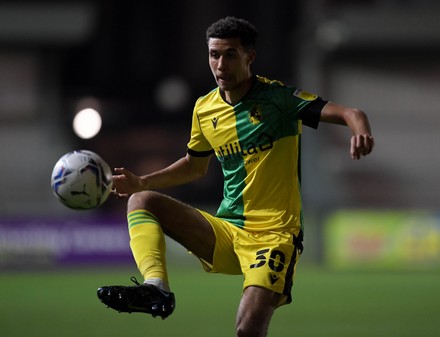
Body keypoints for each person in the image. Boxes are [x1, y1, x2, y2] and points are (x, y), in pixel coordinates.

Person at [97, 16, 374, 337]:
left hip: (274, 236)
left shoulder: (278, 99)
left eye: (230, 55)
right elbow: (195, 165)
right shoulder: (204, 109)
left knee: (247, 330)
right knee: (141, 201)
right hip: (228, 229)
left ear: (249, 57)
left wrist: (360, 131)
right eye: (214, 55)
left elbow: (351, 113)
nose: (220, 64)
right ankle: (156, 288)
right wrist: (142, 182)